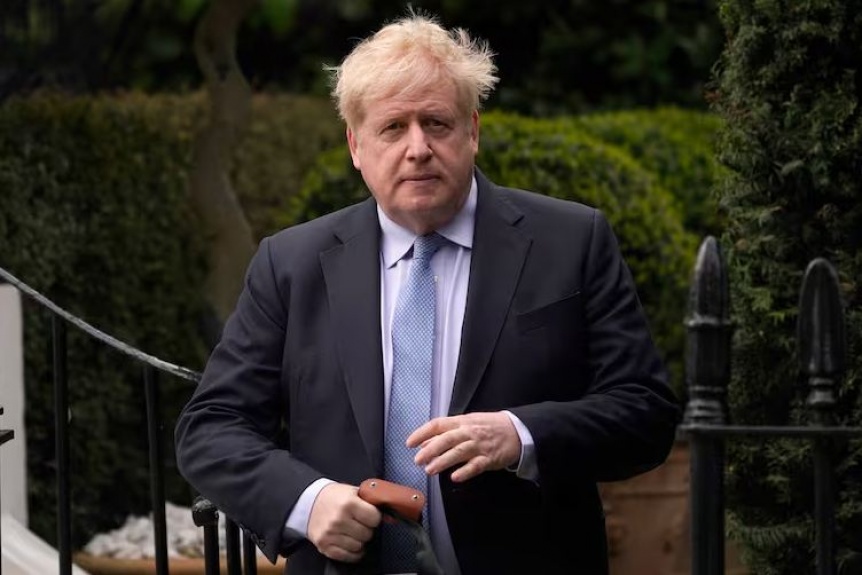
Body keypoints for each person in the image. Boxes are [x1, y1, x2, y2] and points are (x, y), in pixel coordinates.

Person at [175, 11, 680, 575]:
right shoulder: (290, 264)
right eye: (393, 128)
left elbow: (645, 413)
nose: (417, 148)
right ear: (355, 146)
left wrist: (520, 435)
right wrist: (308, 501)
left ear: (473, 131)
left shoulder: (570, 242)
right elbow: (212, 426)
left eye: (436, 123)